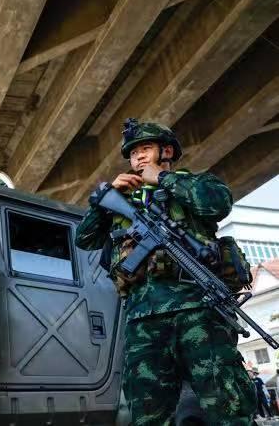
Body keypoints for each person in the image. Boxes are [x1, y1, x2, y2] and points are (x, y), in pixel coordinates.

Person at [75, 118, 256, 425]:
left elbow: (218, 204)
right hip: (143, 318)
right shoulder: (120, 199)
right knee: (148, 412)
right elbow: (85, 239)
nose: (138, 158)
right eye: (133, 154)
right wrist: (101, 203)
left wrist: (163, 178)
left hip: (198, 309)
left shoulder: (194, 184)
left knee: (227, 406)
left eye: (145, 149)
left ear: (167, 151)